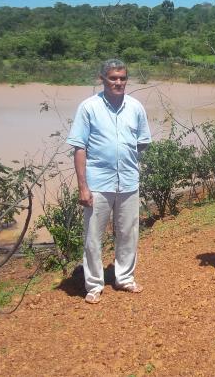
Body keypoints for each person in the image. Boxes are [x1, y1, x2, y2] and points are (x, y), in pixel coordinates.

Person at [66, 58, 151, 304]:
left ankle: (124, 278)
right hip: (98, 183)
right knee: (93, 236)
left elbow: (143, 141)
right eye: (113, 78)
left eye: (122, 78)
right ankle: (93, 284)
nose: (118, 82)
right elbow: (79, 147)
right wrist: (83, 186)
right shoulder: (88, 107)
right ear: (102, 79)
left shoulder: (135, 107)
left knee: (128, 232)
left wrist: (125, 155)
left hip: (128, 181)